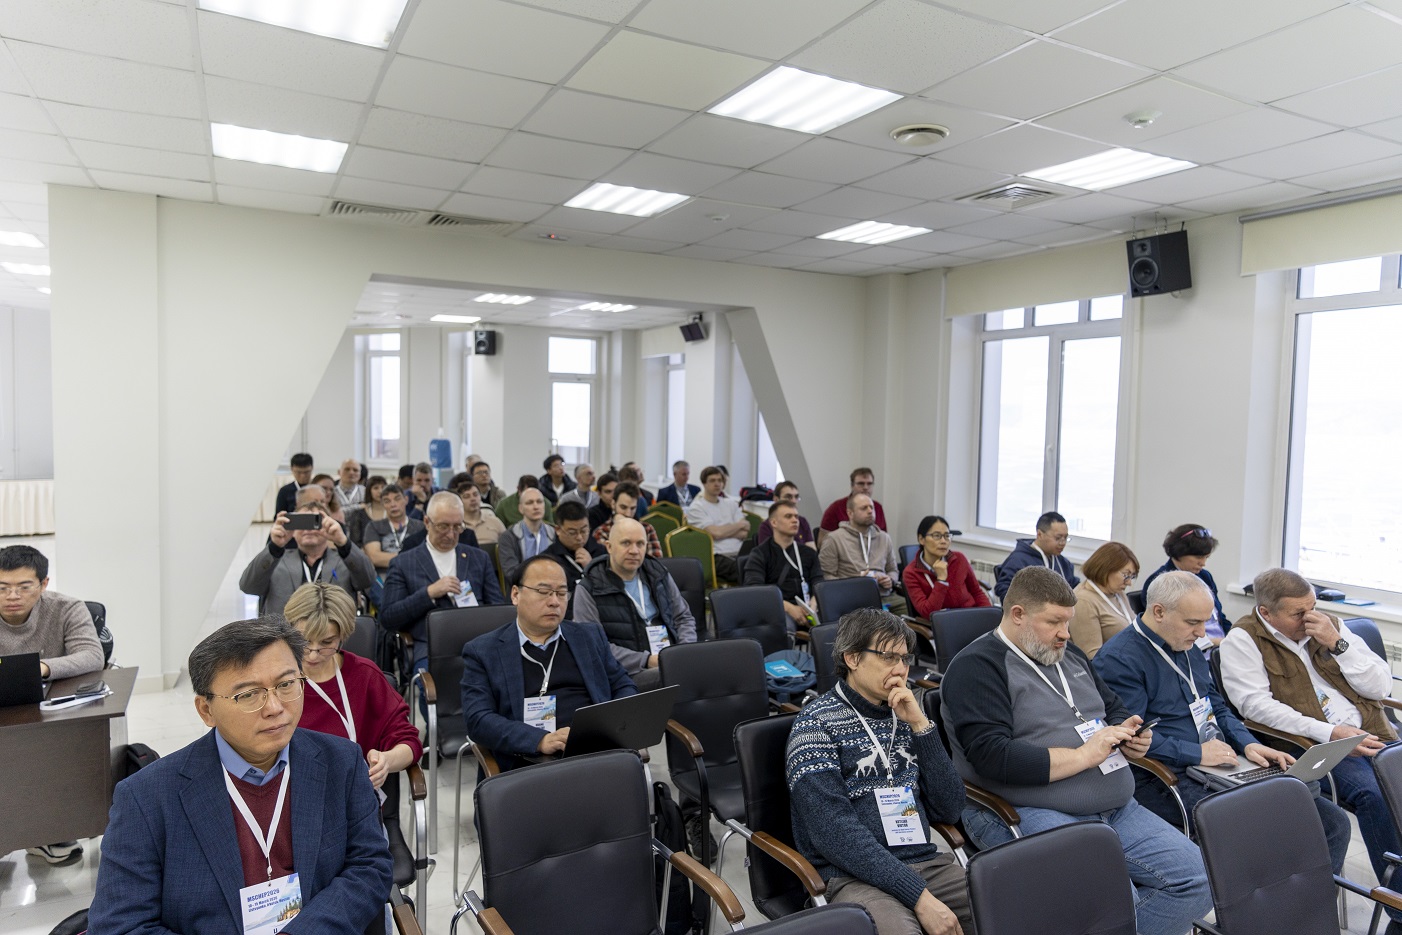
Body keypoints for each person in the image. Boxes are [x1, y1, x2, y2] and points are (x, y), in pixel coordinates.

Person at [941, 566, 1211, 935]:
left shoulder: (1067, 654)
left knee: (1200, 878)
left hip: (1117, 807)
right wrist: (1085, 755)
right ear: (1018, 614)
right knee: (1115, 903)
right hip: (1025, 809)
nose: (1065, 634)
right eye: (1054, 622)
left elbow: (1113, 707)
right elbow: (993, 757)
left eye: (1068, 622)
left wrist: (1130, 734)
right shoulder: (977, 667)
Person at [89, 619, 392, 935]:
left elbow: (370, 866)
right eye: (248, 694)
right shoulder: (146, 798)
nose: (275, 707)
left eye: (286, 684)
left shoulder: (341, 762)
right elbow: (119, 926)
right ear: (206, 710)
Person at [1093, 571, 1351, 870]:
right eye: (1193, 622)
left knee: (1334, 823)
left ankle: (1308, 898)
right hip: (1165, 776)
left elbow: (1217, 706)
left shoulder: (1187, 645)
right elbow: (1132, 740)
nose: (1202, 633)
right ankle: (1270, 896)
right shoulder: (1120, 660)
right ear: (1159, 612)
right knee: (1270, 827)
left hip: (1220, 762)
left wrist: (1249, 744)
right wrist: (1198, 753)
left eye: (1205, 621)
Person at [1219, 567, 1402, 921]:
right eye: (1298, 613)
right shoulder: (1243, 639)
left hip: (1372, 728)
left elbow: (1381, 687)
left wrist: (1338, 644)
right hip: (1312, 742)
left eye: (1312, 607)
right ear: (1266, 611)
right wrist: (1328, 732)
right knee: (1376, 795)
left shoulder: (1329, 626)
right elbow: (1255, 706)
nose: (1310, 618)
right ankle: (1398, 903)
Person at [786, 608, 973, 935]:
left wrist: (921, 726)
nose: (900, 669)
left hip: (926, 865)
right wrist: (919, 897)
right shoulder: (814, 726)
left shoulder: (906, 715)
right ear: (852, 658)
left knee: (1007, 904)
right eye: (888, 657)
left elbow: (949, 808)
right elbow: (835, 834)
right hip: (852, 876)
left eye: (905, 659)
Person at [459, 555, 637, 771]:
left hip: (595, 749)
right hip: (527, 760)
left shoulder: (588, 636)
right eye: (543, 592)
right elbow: (478, 719)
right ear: (515, 594)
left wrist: (611, 725)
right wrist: (539, 740)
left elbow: (623, 684)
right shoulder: (483, 651)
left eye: (561, 593)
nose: (554, 601)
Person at [0, 545, 104, 865]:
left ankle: (47, 831)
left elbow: (92, 655)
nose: (12, 596)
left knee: (46, 756)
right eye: (2, 587)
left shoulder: (66, 608)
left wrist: (42, 668)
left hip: (49, 710)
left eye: (24, 587)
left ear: (43, 584)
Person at [282, 583, 422, 793]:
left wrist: (386, 760)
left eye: (326, 642)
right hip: (294, 794)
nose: (313, 653)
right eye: (303, 640)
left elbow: (409, 741)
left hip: (351, 796)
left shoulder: (364, 676)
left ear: (343, 635)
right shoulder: (275, 680)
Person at [380, 491, 504, 668]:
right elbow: (389, 617)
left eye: (457, 527)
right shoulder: (403, 563)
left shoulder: (478, 558)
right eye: (443, 526)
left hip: (478, 643)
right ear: (427, 522)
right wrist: (428, 593)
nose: (451, 534)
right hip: (430, 648)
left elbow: (498, 609)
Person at [572, 517, 696, 690]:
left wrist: (682, 652)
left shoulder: (658, 574)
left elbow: (683, 617)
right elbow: (593, 646)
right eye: (626, 543)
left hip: (670, 660)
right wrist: (646, 660)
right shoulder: (589, 587)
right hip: (624, 673)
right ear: (609, 547)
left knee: (716, 661)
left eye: (640, 544)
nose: (634, 551)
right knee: (677, 676)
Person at [239, 501, 375, 618]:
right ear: (292, 529)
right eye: (302, 522)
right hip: (284, 635)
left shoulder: (345, 560)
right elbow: (248, 586)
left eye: (315, 522)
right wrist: (274, 547)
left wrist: (343, 543)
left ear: (328, 524)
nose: (308, 530)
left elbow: (368, 580)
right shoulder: (275, 561)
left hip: (333, 635)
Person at [819, 494, 907, 616]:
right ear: (850, 513)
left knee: (909, 609)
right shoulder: (834, 539)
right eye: (864, 508)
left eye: (872, 507)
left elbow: (893, 570)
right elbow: (827, 576)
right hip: (851, 598)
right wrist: (856, 583)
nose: (870, 511)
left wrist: (890, 580)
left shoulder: (884, 538)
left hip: (884, 595)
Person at [743, 500, 822, 630]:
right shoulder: (760, 553)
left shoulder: (808, 553)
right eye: (788, 516)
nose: (795, 520)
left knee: (838, 623)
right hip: (778, 608)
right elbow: (755, 589)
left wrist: (813, 605)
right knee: (785, 627)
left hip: (808, 607)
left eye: (796, 516)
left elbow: (818, 582)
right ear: (774, 522)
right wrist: (789, 608)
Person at [1141, 524, 1229, 639]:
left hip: (1220, 643)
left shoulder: (1205, 576)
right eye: (1198, 557)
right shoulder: (1160, 582)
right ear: (1180, 552)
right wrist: (1215, 642)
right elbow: (1163, 628)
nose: (1203, 563)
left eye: (1206, 557)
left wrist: (1232, 636)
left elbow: (1220, 617)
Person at [902, 515, 989, 620]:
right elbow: (927, 613)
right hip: (945, 624)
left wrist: (989, 616)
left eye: (947, 536)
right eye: (937, 536)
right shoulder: (911, 573)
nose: (943, 541)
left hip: (971, 616)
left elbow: (977, 593)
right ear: (921, 539)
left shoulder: (959, 559)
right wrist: (941, 580)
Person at [1068, 541, 1140, 659]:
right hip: (1112, 666)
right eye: (1126, 575)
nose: (1129, 582)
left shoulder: (1118, 593)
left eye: (1132, 576)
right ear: (1106, 568)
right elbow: (1091, 656)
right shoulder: (1084, 601)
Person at [992, 511, 1079, 600]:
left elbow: (1075, 588)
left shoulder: (1063, 563)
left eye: (1065, 538)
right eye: (1058, 538)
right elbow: (1005, 591)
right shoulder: (1018, 560)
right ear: (1040, 534)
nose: (1062, 543)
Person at [684, 466, 749, 584]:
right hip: (716, 556)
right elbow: (716, 533)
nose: (717, 484)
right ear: (704, 483)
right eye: (712, 480)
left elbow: (745, 531)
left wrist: (722, 532)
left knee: (762, 565)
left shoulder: (731, 504)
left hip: (739, 552)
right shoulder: (697, 507)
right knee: (747, 571)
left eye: (720, 480)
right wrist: (738, 526)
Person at [542, 499, 605, 617]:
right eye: (572, 532)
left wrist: (591, 567)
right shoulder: (547, 560)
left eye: (584, 530)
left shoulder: (601, 553)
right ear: (558, 530)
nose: (580, 537)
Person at [498, 486, 558, 584]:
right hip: (523, 587)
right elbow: (511, 572)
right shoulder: (508, 537)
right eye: (529, 503)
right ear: (521, 508)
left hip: (553, 586)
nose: (536, 507)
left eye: (539, 502)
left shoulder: (556, 533)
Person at [591, 481, 663, 558]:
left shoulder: (647, 529)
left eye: (632, 508)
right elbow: (610, 562)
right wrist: (620, 528)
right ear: (613, 504)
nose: (628, 514)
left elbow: (656, 561)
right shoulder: (601, 532)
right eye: (623, 507)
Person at [362, 483, 424, 571]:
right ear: (382, 504)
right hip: (384, 574)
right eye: (387, 501)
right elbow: (374, 557)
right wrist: (410, 559)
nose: (393, 504)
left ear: (406, 500)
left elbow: (426, 556)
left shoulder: (420, 526)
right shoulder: (373, 526)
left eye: (397, 499)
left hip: (414, 573)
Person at [818, 468, 887, 545]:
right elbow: (822, 542)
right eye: (861, 483)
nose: (866, 487)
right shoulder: (836, 508)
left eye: (869, 484)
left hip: (874, 550)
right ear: (852, 486)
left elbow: (883, 540)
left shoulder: (878, 507)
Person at [757, 481, 816, 548]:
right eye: (788, 497)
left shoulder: (802, 521)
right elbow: (767, 553)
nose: (794, 501)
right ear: (776, 499)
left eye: (796, 497)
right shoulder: (766, 526)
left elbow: (812, 550)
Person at [459, 482, 506, 547]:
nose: (473, 499)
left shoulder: (495, 522)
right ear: (459, 501)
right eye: (467, 496)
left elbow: (507, 545)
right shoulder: (457, 525)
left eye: (475, 495)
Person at [348, 475, 388, 549]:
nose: (380, 491)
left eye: (383, 487)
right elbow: (355, 542)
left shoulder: (393, 512)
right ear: (369, 490)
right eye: (376, 488)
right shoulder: (358, 514)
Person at [275, 452, 314, 517]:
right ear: (292, 469)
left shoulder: (318, 489)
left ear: (312, 468)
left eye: (306, 472)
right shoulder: (285, 491)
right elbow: (278, 516)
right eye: (298, 472)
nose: (302, 476)